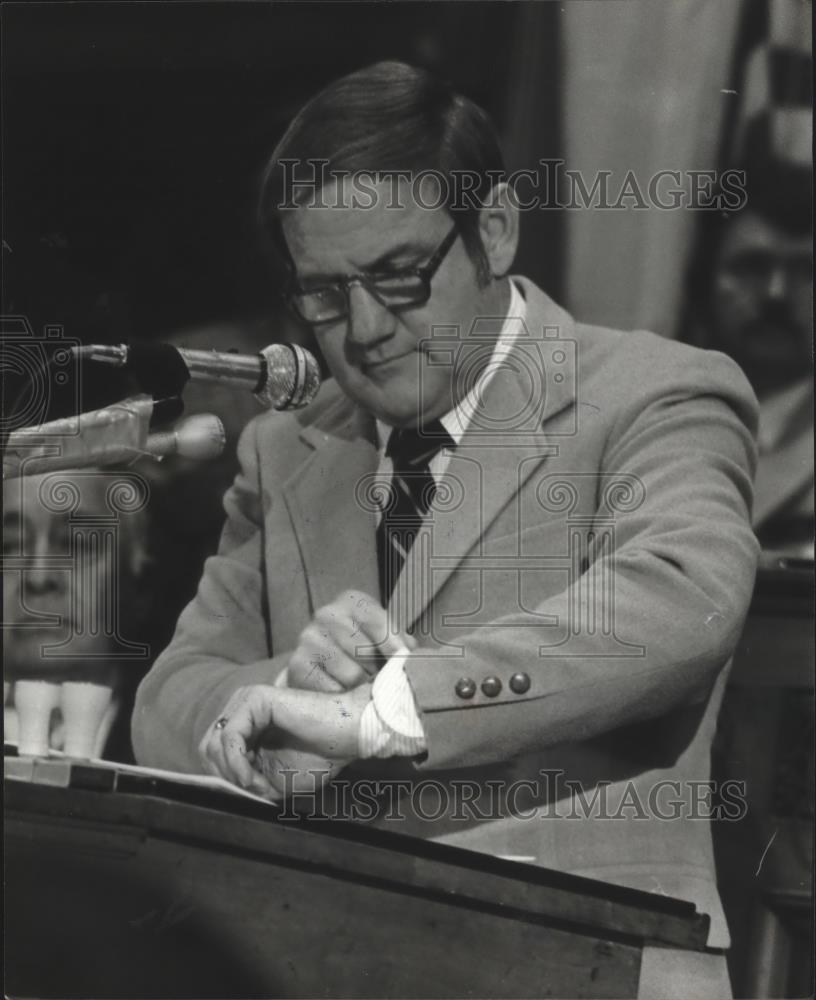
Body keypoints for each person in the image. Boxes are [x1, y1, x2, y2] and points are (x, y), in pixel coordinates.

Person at [133, 62, 759, 996]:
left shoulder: (654, 394)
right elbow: (167, 704)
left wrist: (378, 713)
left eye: (399, 275)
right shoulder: (284, 447)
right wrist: (288, 696)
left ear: (493, 230)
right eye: (325, 293)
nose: (367, 328)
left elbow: (680, 602)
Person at [686, 159, 812, 556]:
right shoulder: (643, 410)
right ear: (706, 281)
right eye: (751, 267)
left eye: (808, 271)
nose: (776, 293)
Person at [4, 467, 151, 761]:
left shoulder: (174, 745)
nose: (38, 576)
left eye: (76, 543)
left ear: (134, 572)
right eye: (7, 546)